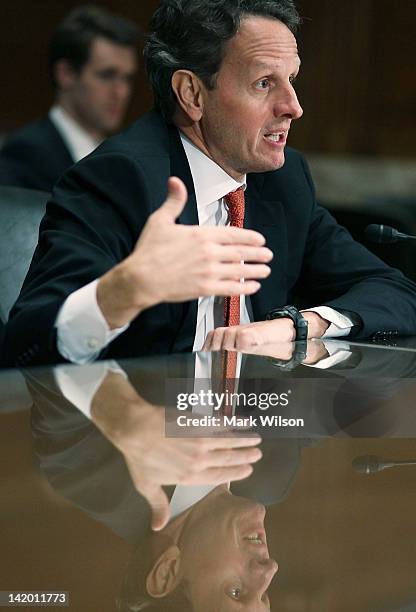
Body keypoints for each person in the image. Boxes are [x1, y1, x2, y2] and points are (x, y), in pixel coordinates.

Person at [2, 0, 416, 368]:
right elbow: (27, 346)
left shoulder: (283, 181)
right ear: (192, 94)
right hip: (148, 438)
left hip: (264, 429)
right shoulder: (119, 179)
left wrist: (299, 326)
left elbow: (394, 291)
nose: (294, 106)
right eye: (264, 83)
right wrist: (125, 291)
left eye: (292, 79)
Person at [0, 5, 139, 192]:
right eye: (107, 75)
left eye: (127, 78)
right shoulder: (26, 154)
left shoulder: (124, 156)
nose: (121, 92)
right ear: (66, 74)